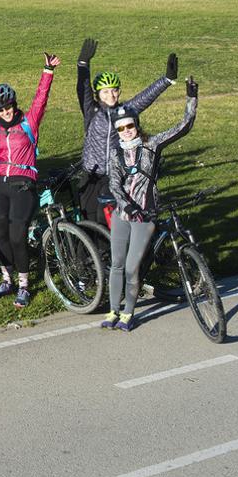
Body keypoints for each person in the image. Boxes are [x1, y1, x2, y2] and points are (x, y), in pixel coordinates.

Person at [102, 77, 198, 332]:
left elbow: (183, 127)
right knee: (117, 264)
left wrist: (191, 98)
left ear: (137, 124)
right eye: (121, 129)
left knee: (132, 268)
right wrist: (126, 205)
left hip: (145, 216)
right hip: (124, 214)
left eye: (130, 126)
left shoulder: (151, 145)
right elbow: (114, 184)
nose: (126, 131)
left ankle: (128, 314)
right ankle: (112, 311)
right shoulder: (116, 153)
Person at [0, 53, 60, 308]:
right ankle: (6, 279)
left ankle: (24, 285)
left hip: (23, 182)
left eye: (7, 106)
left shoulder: (29, 121)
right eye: (0, 109)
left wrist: (47, 71)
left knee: (16, 236)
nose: (5, 111)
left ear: (14, 103)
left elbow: (41, 99)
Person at [76, 39, 178, 222]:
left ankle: (107, 250)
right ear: (97, 94)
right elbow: (82, 89)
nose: (111, 95)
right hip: (90, 173)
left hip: (114, 174)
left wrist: (167, 80)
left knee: (105, 217)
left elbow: (144, 98)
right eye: (105, 92)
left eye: (114, 91)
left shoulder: (123, 112)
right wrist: (83, 64)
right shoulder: (91, 111)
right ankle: (86, 250)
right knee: (87, 218)